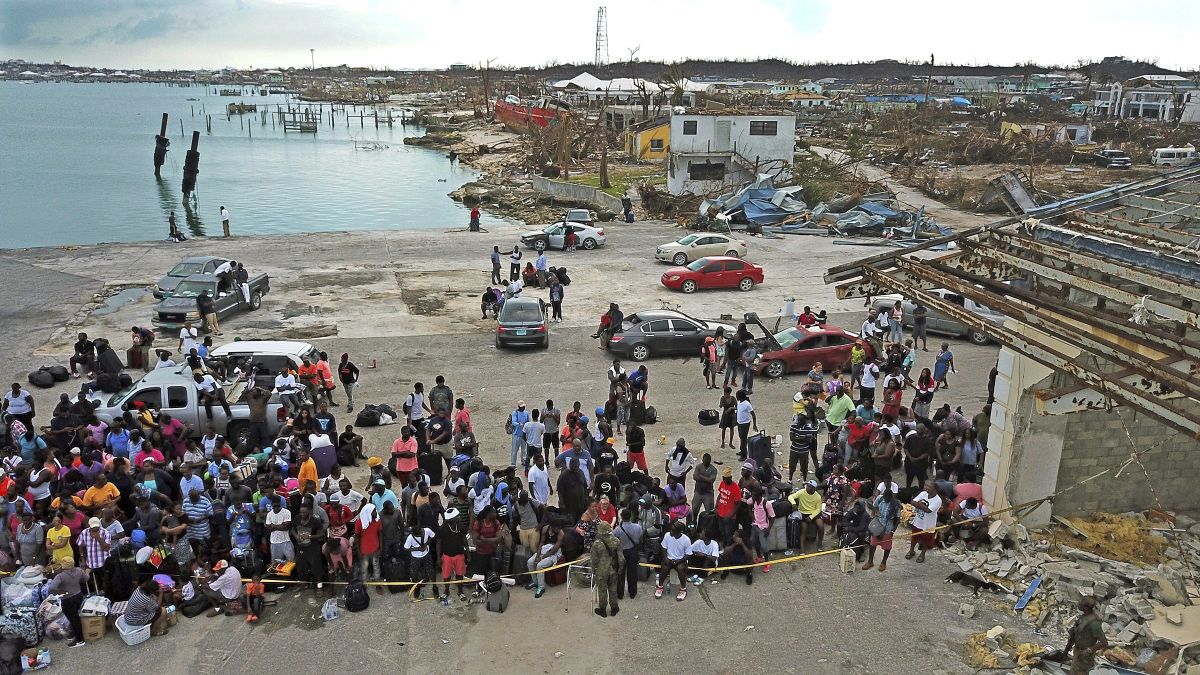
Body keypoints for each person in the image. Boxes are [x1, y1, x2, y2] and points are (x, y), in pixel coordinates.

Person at [1065, 596, 1108, 675]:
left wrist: (1089, 650)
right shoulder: (1084, 616)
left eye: (1081, 604)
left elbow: (1104, 642)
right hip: (1078, 651)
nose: (1078, 605)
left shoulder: (1094, 623)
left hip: (1084, 655)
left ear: (1086, 607)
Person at [590, 521, 624, 617]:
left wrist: (593, 571)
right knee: (613, 590)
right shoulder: (616, 541)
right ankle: (614, 609)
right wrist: (620, 569)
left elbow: (593, 560)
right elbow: (621, 558)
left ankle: (603, 610)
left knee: (602, 590)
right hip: (613, 570)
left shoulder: (596, 544)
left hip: (601, 571)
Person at [863, 487, 900, 571]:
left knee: (887, 547)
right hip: (878, 525)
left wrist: (893, 531)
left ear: (891, 497)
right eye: (884, 497)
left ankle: (883, 562)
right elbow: (874, 507)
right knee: (872, 544)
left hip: (888, 528)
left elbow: (898, 519)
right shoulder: (880, 498)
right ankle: (870, 561)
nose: (885, 499)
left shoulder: (896, 505)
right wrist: (876, 514)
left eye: (887, 498)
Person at [906, 480, 942, 563]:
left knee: (926, 540)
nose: (926, 488)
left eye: (929, 487)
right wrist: (921, 505)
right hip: (918, 521)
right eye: (926, 486)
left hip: (928, 524)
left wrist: (919, 504)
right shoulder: (923, 494)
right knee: (914, 537)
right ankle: (911, 551)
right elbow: (912, 502)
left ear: (935, 490)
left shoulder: (938, 500)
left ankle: (922, 554)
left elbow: (928, 510)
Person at [655, 520, 691, 601]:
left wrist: (679, 560)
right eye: (671, 529)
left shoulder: (686, 540)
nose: (671, 531)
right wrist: (665, 558)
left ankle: (683, 589)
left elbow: (688, 554)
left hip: (680, 560)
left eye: (673, 530)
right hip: (669, 558)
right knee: (664, 568)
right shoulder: (667, 535)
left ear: (679, 532)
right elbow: (664, 547)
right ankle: (660, 586)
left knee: (680, 569)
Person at [787, 480, 824, 552]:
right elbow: (790, 497)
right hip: (803, 513)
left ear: (814, 489)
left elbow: (818, 509)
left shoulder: (817, 496)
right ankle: (802, 548)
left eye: (810, 487)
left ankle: (820, 543)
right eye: (807, 486)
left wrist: (811, 517)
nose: (807, 488)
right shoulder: (802, 492)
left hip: (813, 513)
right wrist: (793, 503)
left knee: (821, 525)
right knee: (804, 528)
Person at [735, 390, 756, 460]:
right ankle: (742, 451)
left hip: (745, 423)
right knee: (741, 437)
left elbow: (753, 415)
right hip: (740, 423)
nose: (736, 397)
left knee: (743, 439)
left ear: (740, 397)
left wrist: (754, 425)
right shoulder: (739, 402)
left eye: (737, 396)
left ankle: (744, 455)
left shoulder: (747, 404)